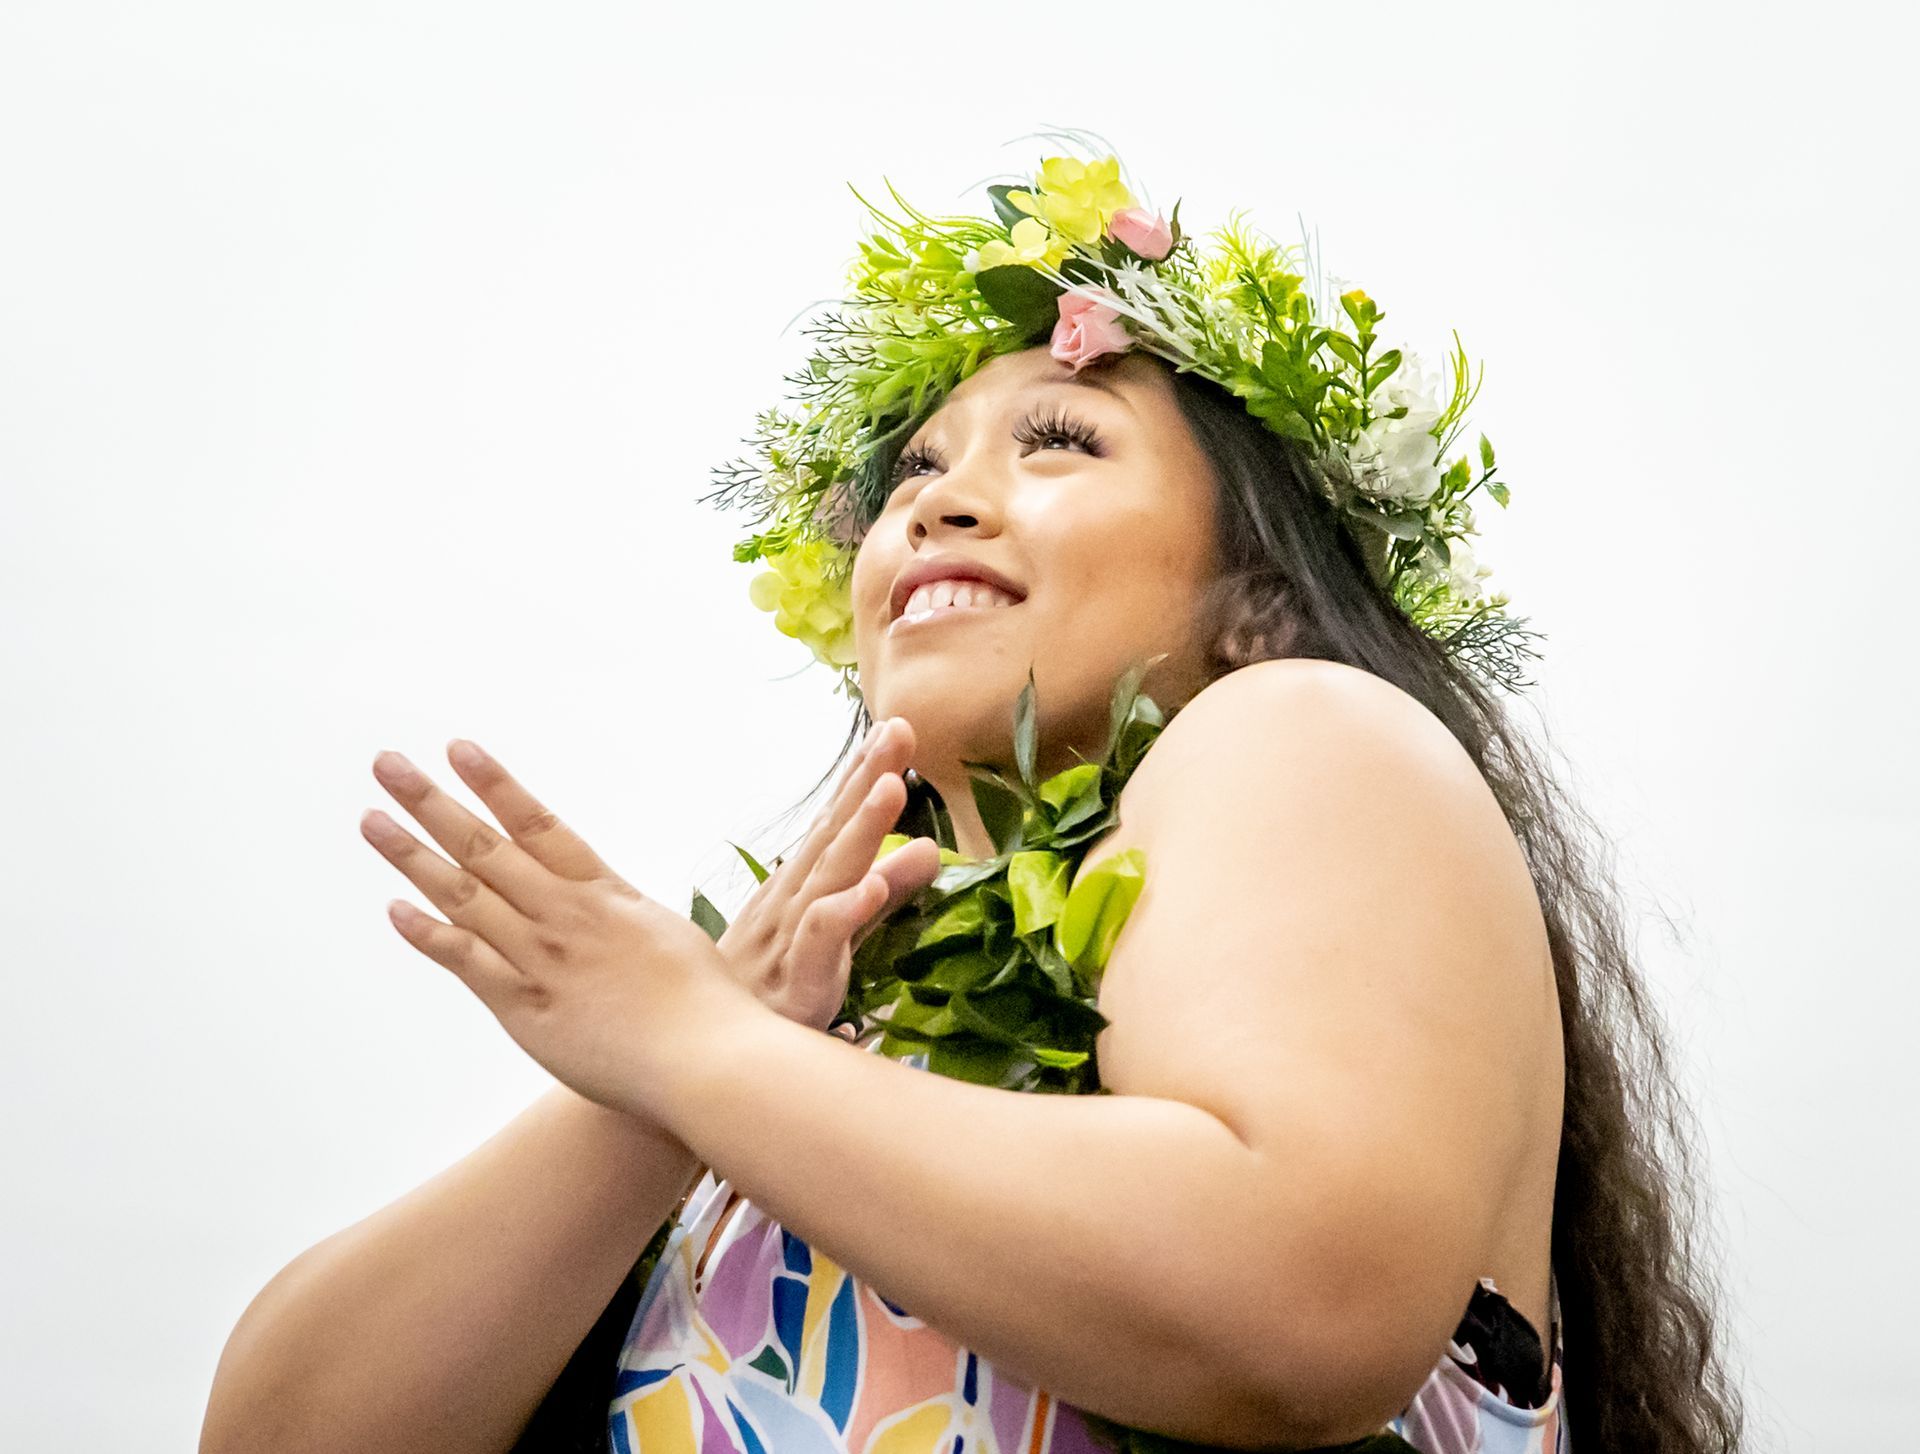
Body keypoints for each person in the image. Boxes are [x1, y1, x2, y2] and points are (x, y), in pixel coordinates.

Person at [200, 143, 1743, 1454]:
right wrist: (654, 1089)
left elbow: (1302, 1294)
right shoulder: (781, 1054)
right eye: (914, 471)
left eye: (1060, 439)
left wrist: (693, 1043)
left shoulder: (1304, 726)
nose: (933, 495)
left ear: (1260, 598)